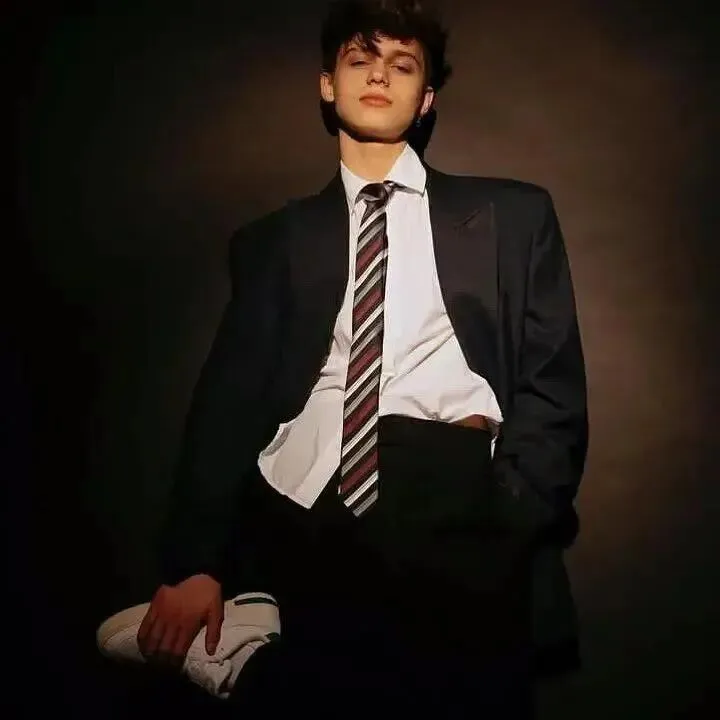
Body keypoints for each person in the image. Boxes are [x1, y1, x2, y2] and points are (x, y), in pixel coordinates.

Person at [137, 0, 588, 716]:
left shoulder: (512, 216)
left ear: (426, 98)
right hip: (304, 509)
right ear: (328, 84)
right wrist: (195, 564)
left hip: (456, 501)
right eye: (359, 59)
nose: (379, 74)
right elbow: (228, 404)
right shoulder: (272, 242)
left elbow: (552, 385)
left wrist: (511, 509)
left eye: (402, 65)